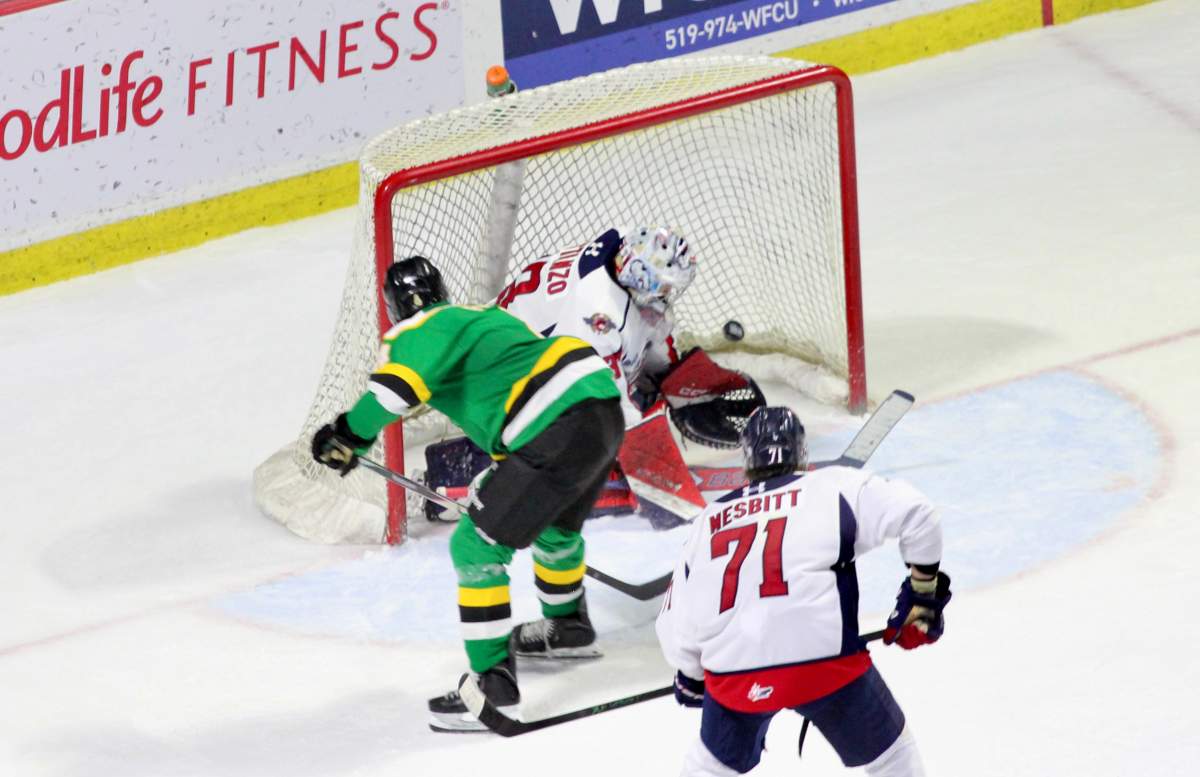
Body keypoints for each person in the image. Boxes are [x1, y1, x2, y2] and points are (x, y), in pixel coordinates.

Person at [310, 255, 625, 732]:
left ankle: (493, 693)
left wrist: (347, 436)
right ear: (441, 289)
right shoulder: (486, 314)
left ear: (394, 308)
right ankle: (568, 627)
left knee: (474, 546)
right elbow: (508, 380)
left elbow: (392, 394)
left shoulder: (417, 331)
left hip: (551, 421)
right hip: (599, 405)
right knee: (553, 525)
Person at [655, 406, 952, 777]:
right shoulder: (833, 485)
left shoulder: (709, 519)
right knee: (893, 760)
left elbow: (674, 618)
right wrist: (922, 596)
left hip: (736, 676)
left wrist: (692, 674)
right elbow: (919, 515)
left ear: (747, 459)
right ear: (802, 452)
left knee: (707, 766)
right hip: (823, 667)